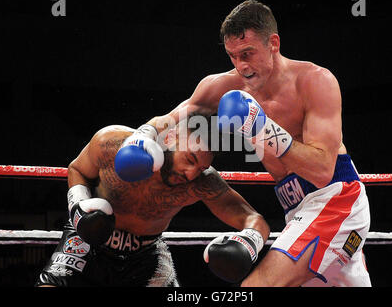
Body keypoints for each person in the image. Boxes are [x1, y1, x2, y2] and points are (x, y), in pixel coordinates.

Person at [148, 0, 371, 287]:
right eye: (233, 56)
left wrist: (263, 129)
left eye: (248, 54)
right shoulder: (223, 86)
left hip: (335, 199)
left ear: (273, 43)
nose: (241, 66)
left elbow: (322, 170)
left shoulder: (315, 82)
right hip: (295, 207)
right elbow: (175, 115)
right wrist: (140, 137)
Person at [35, 115, 270, 286]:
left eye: (201, 167)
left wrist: (247, 243)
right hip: (89, 239)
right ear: (171, 136)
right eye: (190, 159)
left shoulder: (201, 182)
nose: (191, 174)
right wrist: (78, 209)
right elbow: (77, 169)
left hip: (146, 254)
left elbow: (254, 219)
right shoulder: (112, 144)